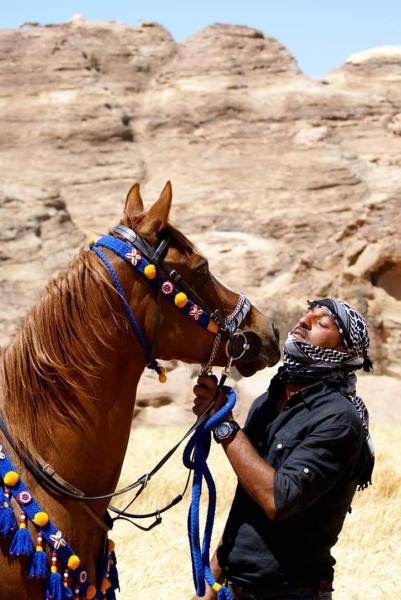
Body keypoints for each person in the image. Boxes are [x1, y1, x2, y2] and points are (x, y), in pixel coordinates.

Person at [191, 298, 375, 600]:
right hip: (235, 587)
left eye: (322, 323)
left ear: (342, 351)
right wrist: (210, 585)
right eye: (307, 315)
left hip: (293, 592)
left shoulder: (339, 419)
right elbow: (244, 508)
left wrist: (224, 425)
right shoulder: (266, 402)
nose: (304, 321)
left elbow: (276, 498)